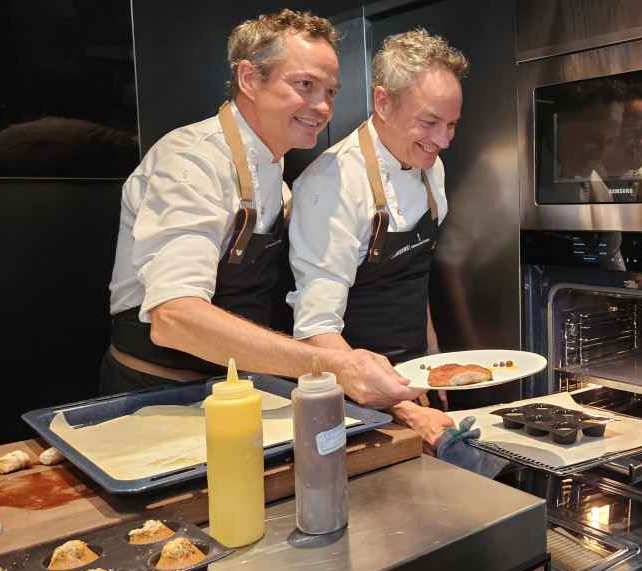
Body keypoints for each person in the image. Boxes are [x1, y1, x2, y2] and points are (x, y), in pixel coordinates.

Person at [102, 9, 419, 410]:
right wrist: (335, 365)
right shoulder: (191, 163)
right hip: (155, 397)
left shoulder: (276, 174)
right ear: (250, 79)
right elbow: (174, 318)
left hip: (231, 392)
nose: (322, 107)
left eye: (331, 92)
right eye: (305, 85)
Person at [289, 28, 467, 448]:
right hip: (352, 402)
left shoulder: (430, 166)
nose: (442, 141)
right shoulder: (330, 185)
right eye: (429, 122)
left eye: (452, 125)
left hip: (412, 380)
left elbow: (412, 272)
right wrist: (403, 408)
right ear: (383, 102)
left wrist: (431, 360)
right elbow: (315, 329)